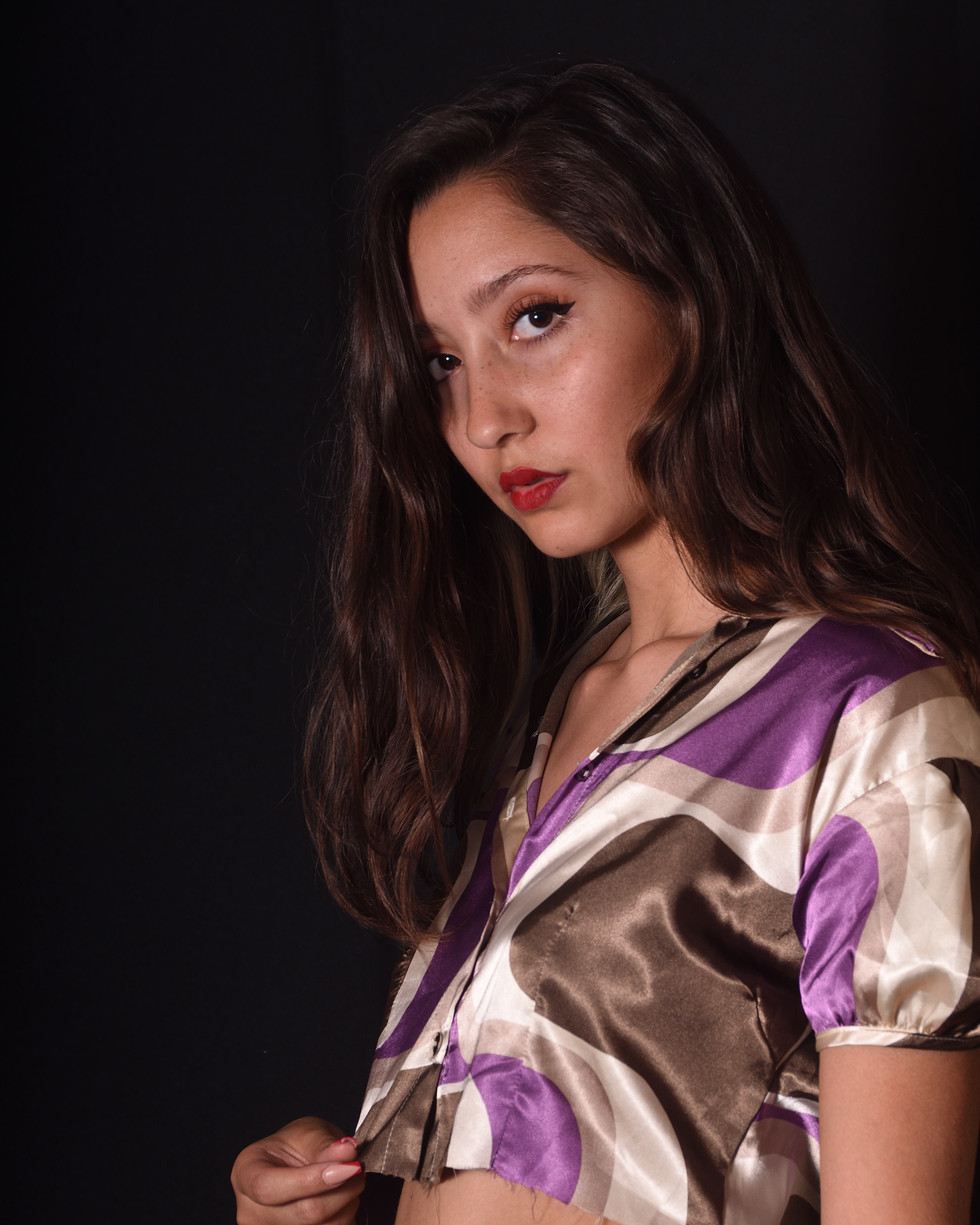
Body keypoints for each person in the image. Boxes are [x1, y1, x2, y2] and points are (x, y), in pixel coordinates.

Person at [231, 61, 980, 1225]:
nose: (483, 418)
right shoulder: (557, 701)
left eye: (533, 317)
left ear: (691, 294)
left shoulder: (872, 715)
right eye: (442, 361)